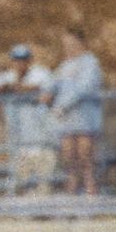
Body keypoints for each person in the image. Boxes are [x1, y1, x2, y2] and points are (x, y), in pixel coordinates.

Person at [40, 27, 104, 196]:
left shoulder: (91, 63)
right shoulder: (65, 65)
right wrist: (47, 92)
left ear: (81, 43)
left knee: (85, 156)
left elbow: (84, 88)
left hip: (85, 117)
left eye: (72, 43)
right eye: (66, 44)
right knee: (69, 156)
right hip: (67, 119)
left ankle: (91, 190)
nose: (68, 47)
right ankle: (72, 191)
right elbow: (53, 81)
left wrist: (63, 105)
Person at [0, 44, 56, 194]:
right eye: (17, 60)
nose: (20, 64)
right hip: (19, 138)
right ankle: (22, 211)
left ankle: (43, 210)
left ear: (29, 60)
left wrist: (20, 88)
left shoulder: (40, 73)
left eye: (23, 60)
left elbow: (47, 90)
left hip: (40, 136)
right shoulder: (9, 76)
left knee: (43, 179)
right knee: (21, 178)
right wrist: (10, 86)